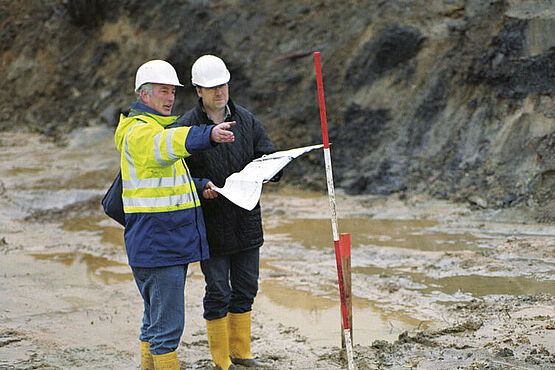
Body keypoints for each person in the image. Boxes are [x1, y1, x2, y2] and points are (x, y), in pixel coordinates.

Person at [114, 59, 235, 370]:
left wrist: (198, 185)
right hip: (158, 246)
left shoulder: (154, 128)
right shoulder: (141, 133)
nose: (170, 98)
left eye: (172, 92)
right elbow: (165, 146)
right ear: (144, 96)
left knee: (154, 322)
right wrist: (206, 135)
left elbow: (161, 180)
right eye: (163, 92)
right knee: (167, 329)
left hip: (160, 244)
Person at [171, 55, 277, 370]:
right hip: (210, 224)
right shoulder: (186, 127)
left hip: (246, 220)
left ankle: (241, 353)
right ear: (198, 91)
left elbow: (266, 154)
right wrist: (201, 184)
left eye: (223, 85)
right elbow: (174, 175)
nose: (220, 92)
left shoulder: (246, 120)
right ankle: (221, 359)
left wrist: (272, 170)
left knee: (247, 287)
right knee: (218, 290)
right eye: (212, 87)